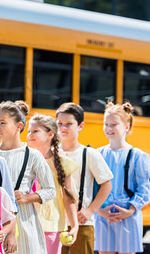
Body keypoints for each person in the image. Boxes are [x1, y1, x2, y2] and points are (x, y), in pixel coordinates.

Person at [0, 100, 56, 254]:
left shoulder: (32, 155)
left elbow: (50, 190)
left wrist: (26, 198)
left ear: (19, 126)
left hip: (24, 221)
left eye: (2, 123)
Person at [95, 102, 150, 254]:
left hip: (128, 214)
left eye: (114, 124)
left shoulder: (138, 156)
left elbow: (145, 188)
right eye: (106, 124)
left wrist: (131, 209)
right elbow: (90, 186)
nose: (108, 128)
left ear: (126, 127)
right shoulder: (97, 155)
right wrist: (99, 210)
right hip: (103, 214)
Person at [56, 102, 113, 254]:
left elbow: (107, 185)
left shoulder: (89, 154)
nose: (63, 127)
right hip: (54, 222)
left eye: (68, 124)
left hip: (82, 223)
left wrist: (90, 210)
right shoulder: (51, 153)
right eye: (59, 123)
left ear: (80, 126)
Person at [27, 114, 79, 254]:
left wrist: (74, 226)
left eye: (35, 131)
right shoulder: (23, 159)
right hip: (26, 223)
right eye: (29, 131)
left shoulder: (63, 163)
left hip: (51, 225)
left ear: (50, 134)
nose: (29, 135)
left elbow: (68, 198)